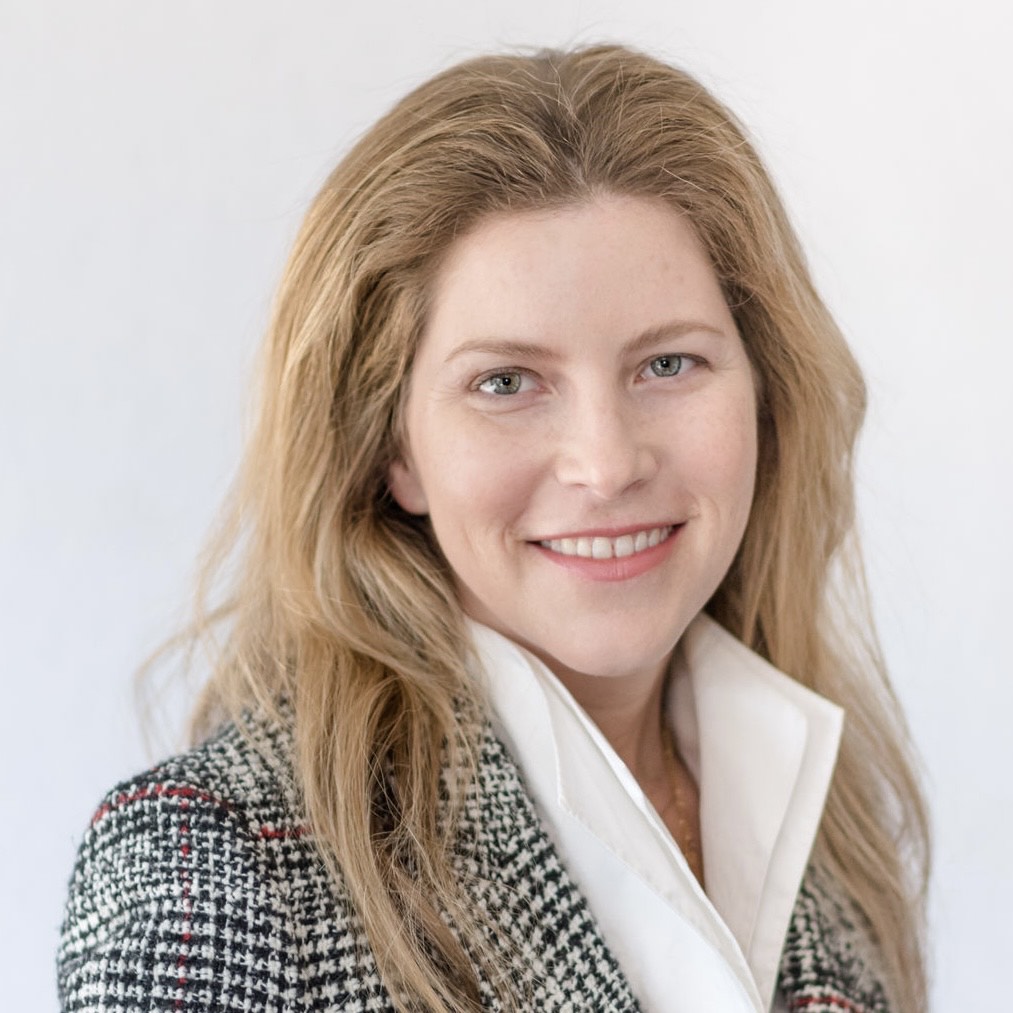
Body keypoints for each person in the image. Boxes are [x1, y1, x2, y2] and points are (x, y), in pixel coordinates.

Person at [57, 44, 930, 1013]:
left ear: (765, 393)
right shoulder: (208, 867)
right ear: (392, 448)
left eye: (668, 364)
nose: (604, 463)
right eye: (505, 382)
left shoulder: (829, 816)